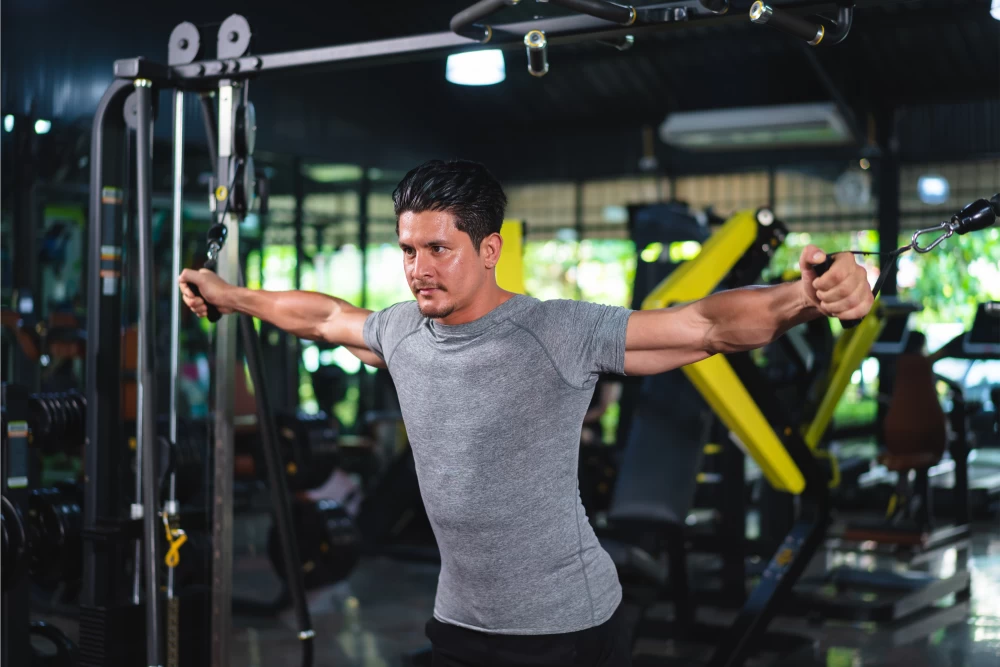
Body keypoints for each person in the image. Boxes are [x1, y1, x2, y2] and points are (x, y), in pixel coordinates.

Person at [179, 160, 874, 666]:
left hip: (565, 629)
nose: (419, 268)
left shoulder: (555, 331)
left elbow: (703, 325)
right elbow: (323, 315)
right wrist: (230, 295)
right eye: (409, 250)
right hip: (459, 620)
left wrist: (806, 298)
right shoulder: (401, 331)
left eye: (438, 249)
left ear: (489, 250)